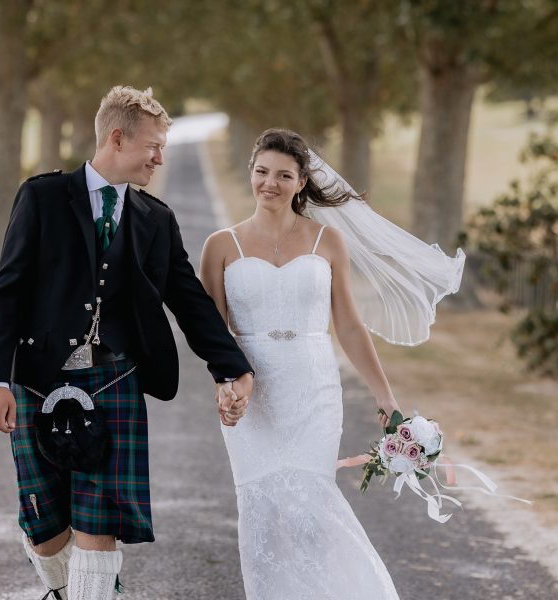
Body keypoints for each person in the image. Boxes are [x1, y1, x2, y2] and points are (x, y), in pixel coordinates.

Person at [0, 85, 254, 600]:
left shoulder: (156, 218)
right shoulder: (42, 198)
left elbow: (189, 300)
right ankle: (77, 590)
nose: (160, 156)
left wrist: (230, 366)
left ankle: (96, 590)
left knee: (97, 524)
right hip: (38, 377)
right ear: (117, 137)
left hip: (115, 380)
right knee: (42, 525)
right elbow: (8, 290)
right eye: (153, 145)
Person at [199, 128, 464, 599]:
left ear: (301, 181)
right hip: (252, 393)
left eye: (284, 175)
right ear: (251, 174)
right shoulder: (221, 245)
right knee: (263, 511)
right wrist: (225, 387)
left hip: (313, 389)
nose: (270, 183)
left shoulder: (328, 241)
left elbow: (350, 327)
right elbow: (212, 335)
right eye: (262, 172)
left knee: (309, 509)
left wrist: (385, 395)